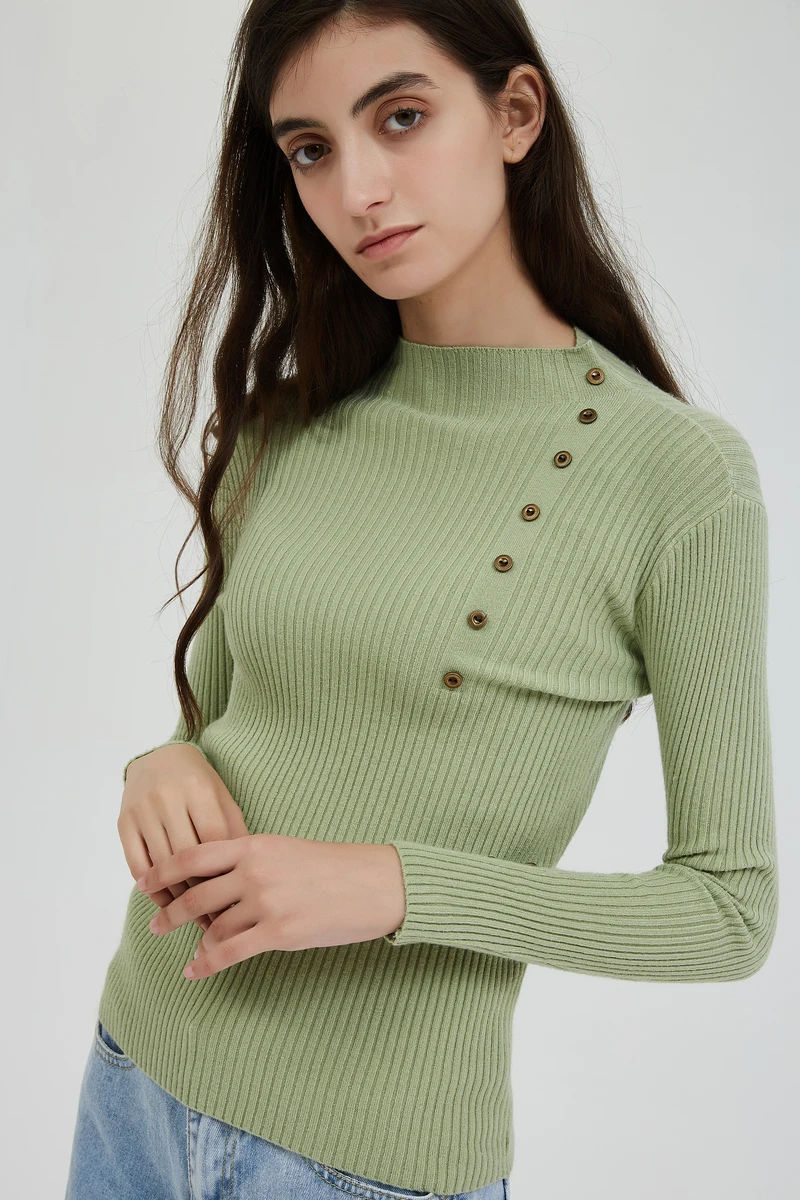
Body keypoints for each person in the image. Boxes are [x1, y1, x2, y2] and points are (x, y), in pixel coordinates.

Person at [65, 1, 778, 1197]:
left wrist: (397, 885)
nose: (357, 190)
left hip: (369, 1164)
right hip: (135, 1072)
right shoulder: (285, 420)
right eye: (310, 149)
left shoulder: (677, 479)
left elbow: (726, 910)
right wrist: (157, 764)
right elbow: (219, 719)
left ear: (514, 114)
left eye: (399, 118)